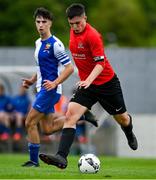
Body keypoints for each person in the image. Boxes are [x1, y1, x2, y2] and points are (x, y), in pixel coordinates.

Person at [39, 3, 138, 169]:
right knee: (70, 115)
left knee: (122, 118)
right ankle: (61, 157)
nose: (75, 27)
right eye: (71, 24)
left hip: (107, 84)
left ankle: (129, 131)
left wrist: (88, 80)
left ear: (85, 18)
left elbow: (100, 64)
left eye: (78, 23)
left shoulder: (93, 36)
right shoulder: (72, 31)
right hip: (87, 85)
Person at [22, 7, 97, 167]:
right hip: (42, 89)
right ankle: (81, 116)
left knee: (29, 122)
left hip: (50, 91)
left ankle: (33, 162)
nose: (41, 25)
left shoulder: (55, 44)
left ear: (50, 23)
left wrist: (55, 83)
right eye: (38, 22)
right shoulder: (37, 43)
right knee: (48, 128)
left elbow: (69, 68)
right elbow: (41, 67)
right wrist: (31, 80)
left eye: (44, 22)